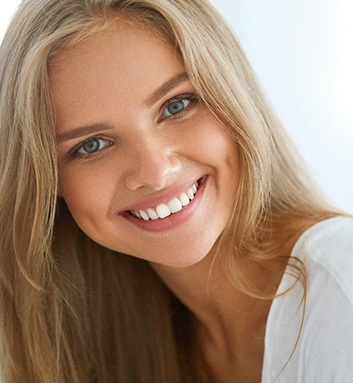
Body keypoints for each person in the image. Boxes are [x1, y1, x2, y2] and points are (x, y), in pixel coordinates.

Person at [0, 0, 352, 382]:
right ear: (47, 182)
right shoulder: (99, 341)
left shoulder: (342, 293)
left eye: (177, 105)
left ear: (232, 94)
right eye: (91, 145)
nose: (154, 172)